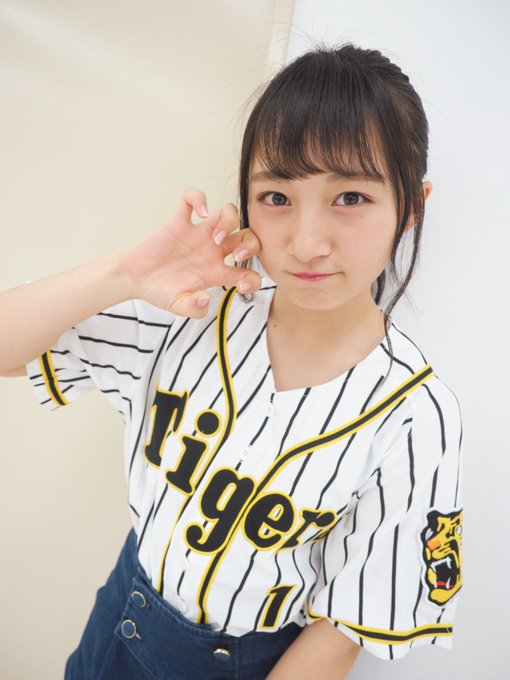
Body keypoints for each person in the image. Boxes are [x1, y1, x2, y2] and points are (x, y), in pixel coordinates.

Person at [0, 44, 463, 680]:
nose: (307, 242)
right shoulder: (191, 310)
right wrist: (125, 272)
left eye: (351, 197)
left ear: (412, 205)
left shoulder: (417, 415)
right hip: (117, 625)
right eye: (276, 196)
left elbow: (344, 628)